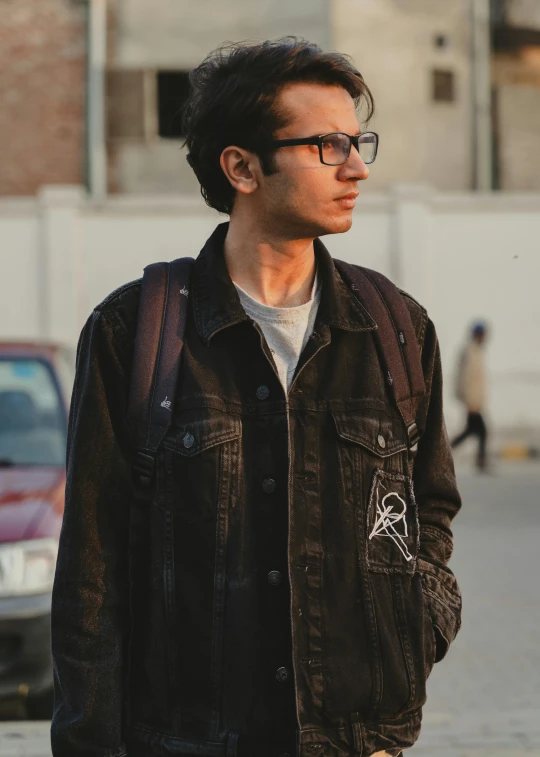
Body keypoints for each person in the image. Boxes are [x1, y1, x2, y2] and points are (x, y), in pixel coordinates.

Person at [50, 38, 462, 757]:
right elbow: (92, 576)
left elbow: (428, 511)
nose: (356, 166)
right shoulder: (138, 332)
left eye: (358, 141)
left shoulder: (394, 327)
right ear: (241, 166)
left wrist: (412, 635)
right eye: (327, 145)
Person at [451, 321, 489, 471]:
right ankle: (480, 460)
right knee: (482, 431)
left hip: (475, 399)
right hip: (471, 400)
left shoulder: (477, 351)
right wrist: (468, 399)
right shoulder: (470, 351)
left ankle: (446, 450)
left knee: (470, 431)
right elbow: (465, 377)